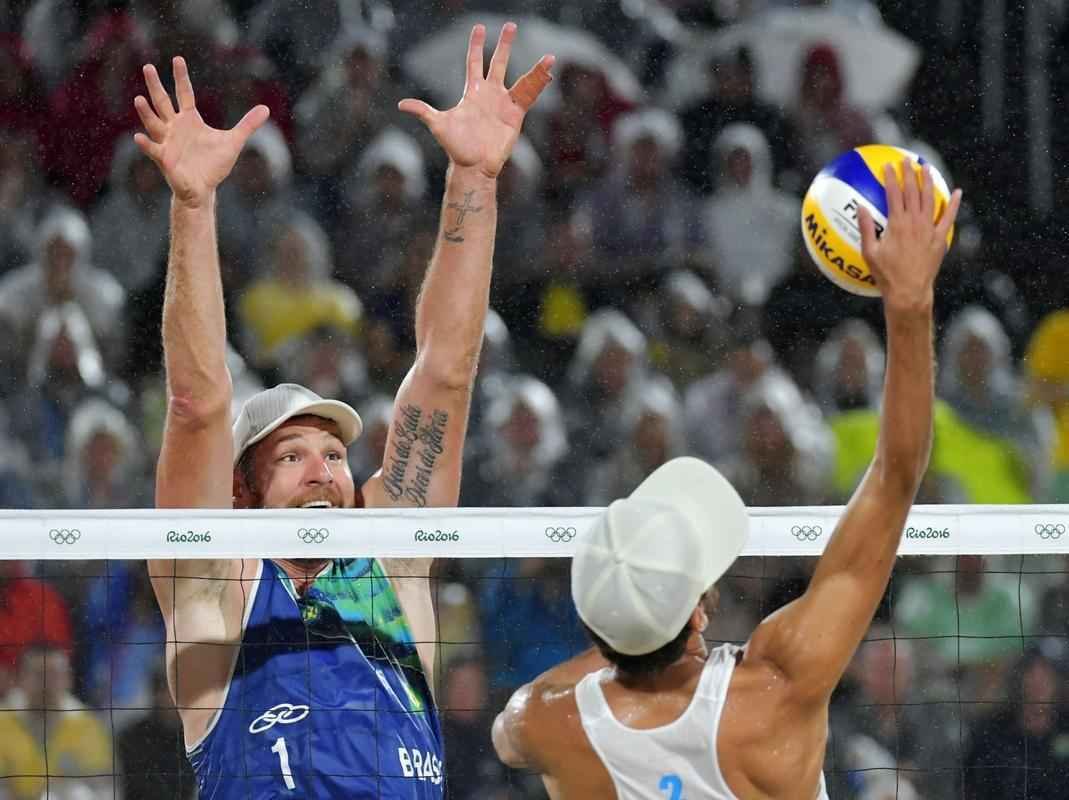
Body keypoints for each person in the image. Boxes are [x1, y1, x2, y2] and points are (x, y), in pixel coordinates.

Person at [134, 23, 554, 798]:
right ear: (241, 494)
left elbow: (447, 372)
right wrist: (193, 205)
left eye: (333, 455)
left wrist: (472, 177)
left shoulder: (392, 562)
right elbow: (197, 405)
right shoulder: (211, 586)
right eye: (289, 458)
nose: (324, 472)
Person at [491, 163, 962, 799]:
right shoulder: (776, 690)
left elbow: (509, 730)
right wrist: (911, 304)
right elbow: (897, 476)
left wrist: (623, 634)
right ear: (700, 610)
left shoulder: (543, 723)